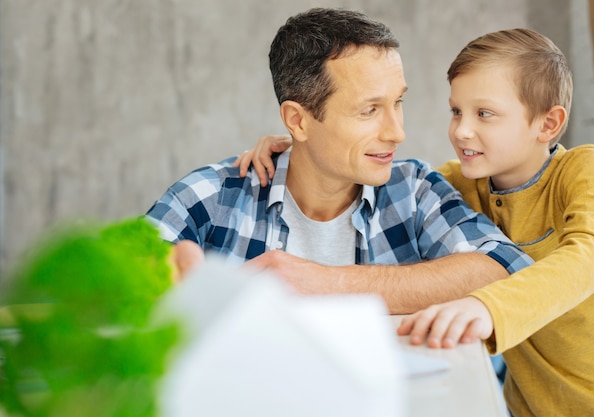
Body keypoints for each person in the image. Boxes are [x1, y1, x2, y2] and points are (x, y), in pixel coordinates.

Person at [239, 28, 594, 416]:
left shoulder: (585, 169)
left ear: (548, 124)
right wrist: (306, 145)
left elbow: (589, 257)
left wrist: (487, 307)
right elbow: (384, 173)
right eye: (456, 111)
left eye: (484, 114)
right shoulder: (460, 182)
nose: (461, 130)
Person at [145, 8, 533, 315]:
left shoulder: (412, 190)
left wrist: (329, 283)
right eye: (369, 110)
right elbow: (106, 283)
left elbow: (504, 266)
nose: (397, 132)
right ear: (298, 120)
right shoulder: (211, 198)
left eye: (397, 102)